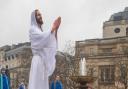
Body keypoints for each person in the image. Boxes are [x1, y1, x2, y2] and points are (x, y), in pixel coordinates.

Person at [28, 9, 61, 89]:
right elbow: (42, 37)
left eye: (40, 14)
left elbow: (50, 42)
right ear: (34, 18)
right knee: (37, 84)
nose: (40, 16)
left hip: (43, 62)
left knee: (42, 84)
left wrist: (56, 29)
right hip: (38, 60)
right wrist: (52, 28)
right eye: (38, 15)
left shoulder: (41, 31)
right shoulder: (32, 29)